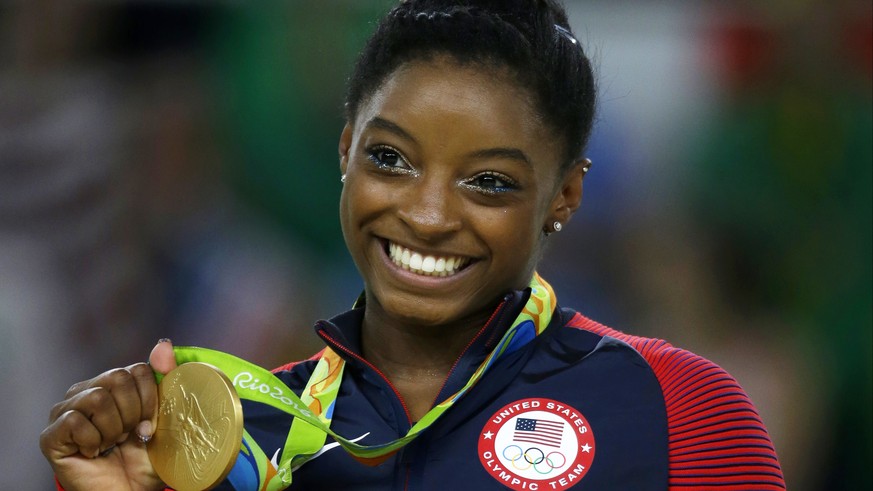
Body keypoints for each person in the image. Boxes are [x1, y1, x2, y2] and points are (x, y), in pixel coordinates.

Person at [40, 1, 786, 490]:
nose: (426, 216)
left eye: (488, 181)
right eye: (390, 159)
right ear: (344, 152)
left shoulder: (677, 409)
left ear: (564, 196)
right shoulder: (237, 440)